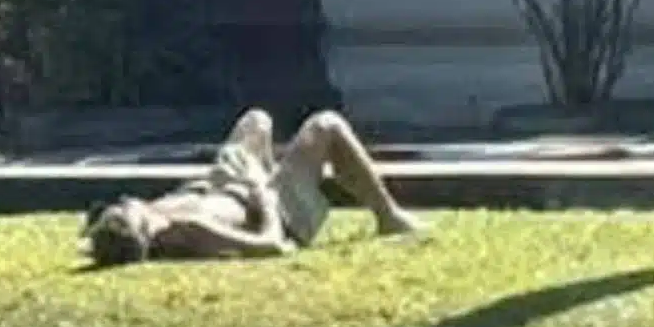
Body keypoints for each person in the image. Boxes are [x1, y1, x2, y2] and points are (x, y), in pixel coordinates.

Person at [79, 108, 423, 266]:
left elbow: (102, 243)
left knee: (256, 122)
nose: (127, 199)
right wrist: (264, 195)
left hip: (228, 187)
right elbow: (272, 246)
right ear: (140, 227)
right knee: (325, 125)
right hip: (277, 213)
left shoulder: (156, 219)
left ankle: (282, 172)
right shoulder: (190, 230)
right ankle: (389, 215)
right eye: (125, 206)